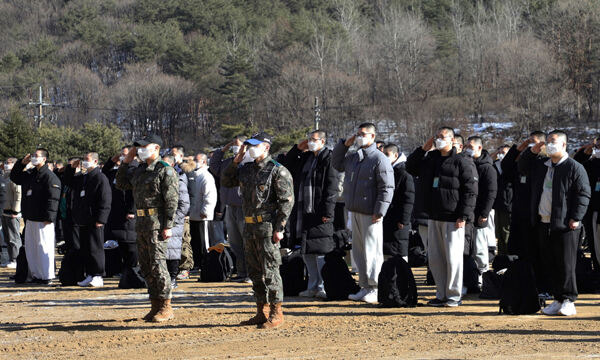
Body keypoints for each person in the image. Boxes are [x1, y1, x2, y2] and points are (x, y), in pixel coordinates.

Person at [222, 132, 294, 329]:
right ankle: (261, 310)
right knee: (254, 270)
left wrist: (280, 228)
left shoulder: (277, 171)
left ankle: (276, 312)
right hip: (249, 226)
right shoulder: (246, 169)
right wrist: (236, 160)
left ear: (266, 147)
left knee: (270, 270)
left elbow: (286, 203)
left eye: (255, 145)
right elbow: (226, 181)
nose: (251, 148)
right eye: (249, 145)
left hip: (268, 227)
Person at [518, 130, 590, 316]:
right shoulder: (542, 165)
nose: (550, 144)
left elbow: (583, 194)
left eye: (554, 141)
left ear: (564, 145)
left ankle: (569, 300)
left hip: (566, 225)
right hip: (544, 222)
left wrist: (576, 217)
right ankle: (557, 299)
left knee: (566, 263)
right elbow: (522, 167)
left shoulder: (574, 167)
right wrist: (532, 150)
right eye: (548, 141)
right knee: (550, 263)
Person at [405, 127, 478, 307]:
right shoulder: (431, 159)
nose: (439, 140)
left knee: (453, 258)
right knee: (436, 258)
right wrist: (423, 148)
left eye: (443, 137)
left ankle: (454, 295)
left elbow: (471, 190)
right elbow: (411, 167)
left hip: (453, 217)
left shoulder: (462, 160)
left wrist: (464, 215)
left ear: (452, 140)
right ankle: (441, 293)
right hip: (433, 215)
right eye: (437, 137)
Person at [116, 134, 179, 322]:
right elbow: (121, 183)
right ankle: (155, 305)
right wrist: (127, 161)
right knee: (146, 266)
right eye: (138, 147)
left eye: (144, 146)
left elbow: (171, 201)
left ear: (156, 148)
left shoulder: (164, 170)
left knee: (159, 266)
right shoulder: (139, 170)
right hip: (142, 223)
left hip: (157, 224)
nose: (141, 150)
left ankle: (166, 306)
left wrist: (168, 226)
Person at [332, 123, 395, 304]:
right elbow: (336, 163)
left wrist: (380, 211)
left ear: (373, 136)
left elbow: (387, 187)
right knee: (359, 252)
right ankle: (365, 285)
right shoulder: (354, 157)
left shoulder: (379, 159)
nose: (360, 137)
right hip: (355, 210)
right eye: (358, 134)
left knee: (372, 251)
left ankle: (375, 287)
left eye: (364, 134)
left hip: (371, 213)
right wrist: (344, 144)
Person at [280, 130, 337, 299]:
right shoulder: (306, 157)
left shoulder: (328, 158)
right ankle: (313, 285)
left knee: (320, 250)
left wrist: (328, 211)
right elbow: (287, 164)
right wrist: (297, 148)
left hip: (319, 211)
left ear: (323, 141)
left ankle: (323, 285)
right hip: (302, 211)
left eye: (314, 140)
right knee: (307, 250)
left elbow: (331, 186)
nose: (311, 142)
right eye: (309, 139)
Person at [10, 148, 61, 284]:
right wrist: (21, 163)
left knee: (43, 247)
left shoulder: (49, 176)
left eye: (36, 156)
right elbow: (15, 177)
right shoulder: (31, 174)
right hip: (30, 217)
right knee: (32, 249)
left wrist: (49, 217)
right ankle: (36, 274)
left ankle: (46, 276)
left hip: (43, 219)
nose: (33, 158)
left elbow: (53, 198)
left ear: (44, 159)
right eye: (32, 155)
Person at [63, 153, 112, 287]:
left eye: (87, 160)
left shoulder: (100, 177)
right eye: (83, 160)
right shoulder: (83, 177)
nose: (84, 162)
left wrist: (101, 219)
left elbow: (105, 199)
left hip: (95, 219)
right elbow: (68, 181)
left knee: (95, 248)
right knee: (85, 248)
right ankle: (90, 273)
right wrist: (71, 168)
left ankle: (98, 275)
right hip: (82, 219)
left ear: (95, 161)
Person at [209, 135, 252, 282]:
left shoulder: (250, 162)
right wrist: (223, 149)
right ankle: (242, 272)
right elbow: (214, 166)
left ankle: (251, 273)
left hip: (244, 207)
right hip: (230, 206)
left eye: (238, 145)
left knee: (247, 240)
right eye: (234, 145)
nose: (236, 148)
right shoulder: (229, 162)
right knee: (235, 241)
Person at [103, 147, 144, 289]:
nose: (122, 157)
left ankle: (133, 271)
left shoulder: (135, 169)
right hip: (115, 211)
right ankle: (123, 272)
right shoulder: (118, 170)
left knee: (130, 244)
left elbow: (134, 191)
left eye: (125, 155)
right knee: (119, 243)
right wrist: (111, 161)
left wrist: (131, 210)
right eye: (121, 155)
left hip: (129, 212)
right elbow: (104, 174)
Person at [502, 131, 546, 260]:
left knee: (532, 248)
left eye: (534, 142)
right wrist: (516, 150)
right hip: (518, 211)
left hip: (535, 213)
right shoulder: (522, 163)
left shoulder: (544, 163)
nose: (530, 145)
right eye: (529, 142)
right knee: (515, 246)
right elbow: (506, 166)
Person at [465, 136, 497, 285]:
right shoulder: (466, 164)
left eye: (470, 146)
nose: (467, 148)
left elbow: (491, 192)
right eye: (466, 146)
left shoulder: (487, 167)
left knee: (479, 247)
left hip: (479, 214)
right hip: (468, 213)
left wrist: (484, 213)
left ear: (479, 148)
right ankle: (471, 277)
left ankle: (483, 276)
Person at [382, 144, 415, 262]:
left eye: (387, 154)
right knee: (388, 252)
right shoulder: (388, 171)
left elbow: (408, 198)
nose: (384, 157)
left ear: (396, 155)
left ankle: (402, 278)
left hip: (398, 221)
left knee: (399, 252)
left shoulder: (404, 173)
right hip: (388, 218)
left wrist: (404, 220)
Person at [187, 152, 218, 276]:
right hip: (193, 215)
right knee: (195, 242)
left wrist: (206, 210)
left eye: (197, 160)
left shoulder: (206, 176)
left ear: (204, 162)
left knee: (204, 242)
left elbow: (210, 195)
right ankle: (197, 263)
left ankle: (205, 263)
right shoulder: (194, 175)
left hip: (202, 216)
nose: (194, 161)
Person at [163, 155, 190, 289]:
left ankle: (173, 278)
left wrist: (174, 219)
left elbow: (184, 204)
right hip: (161, 221)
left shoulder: (179, 180)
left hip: (174, 221)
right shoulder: (161, 179)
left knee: (173, 251)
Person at [573, 138, 600, 271]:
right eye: (598, 146)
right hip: (592, 208)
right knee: (595, 243)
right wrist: (586, 151)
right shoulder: (591, 163)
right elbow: (576, 163)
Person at [170, 146, 194, 279]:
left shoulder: (187, 171)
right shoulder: (171, 169)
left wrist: (188, 211)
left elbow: (192, 193)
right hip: (172, 212)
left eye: (174, 154)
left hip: (184, 211)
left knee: (184, 240)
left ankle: (185, 267)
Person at [492, 145, 512, 255]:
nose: (501, 154)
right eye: (499, 152)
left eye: (503, 152)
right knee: (498, 233)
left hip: (508, 205)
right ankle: (501, 257)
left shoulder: (513, 165)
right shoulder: (495, 165)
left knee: (506, 233)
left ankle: (508, 257)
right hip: (497, 204)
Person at [1, 158, 21, 269]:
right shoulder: (5, 176)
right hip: (5, 211)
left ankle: (16, 259)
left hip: (13, 212)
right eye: (5, 163)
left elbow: (18, 195)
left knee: (14, 237)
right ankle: (10, 258)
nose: (6, 165)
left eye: (9, 163)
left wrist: (15, 211)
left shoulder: (16, 177)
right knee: (7, 237)